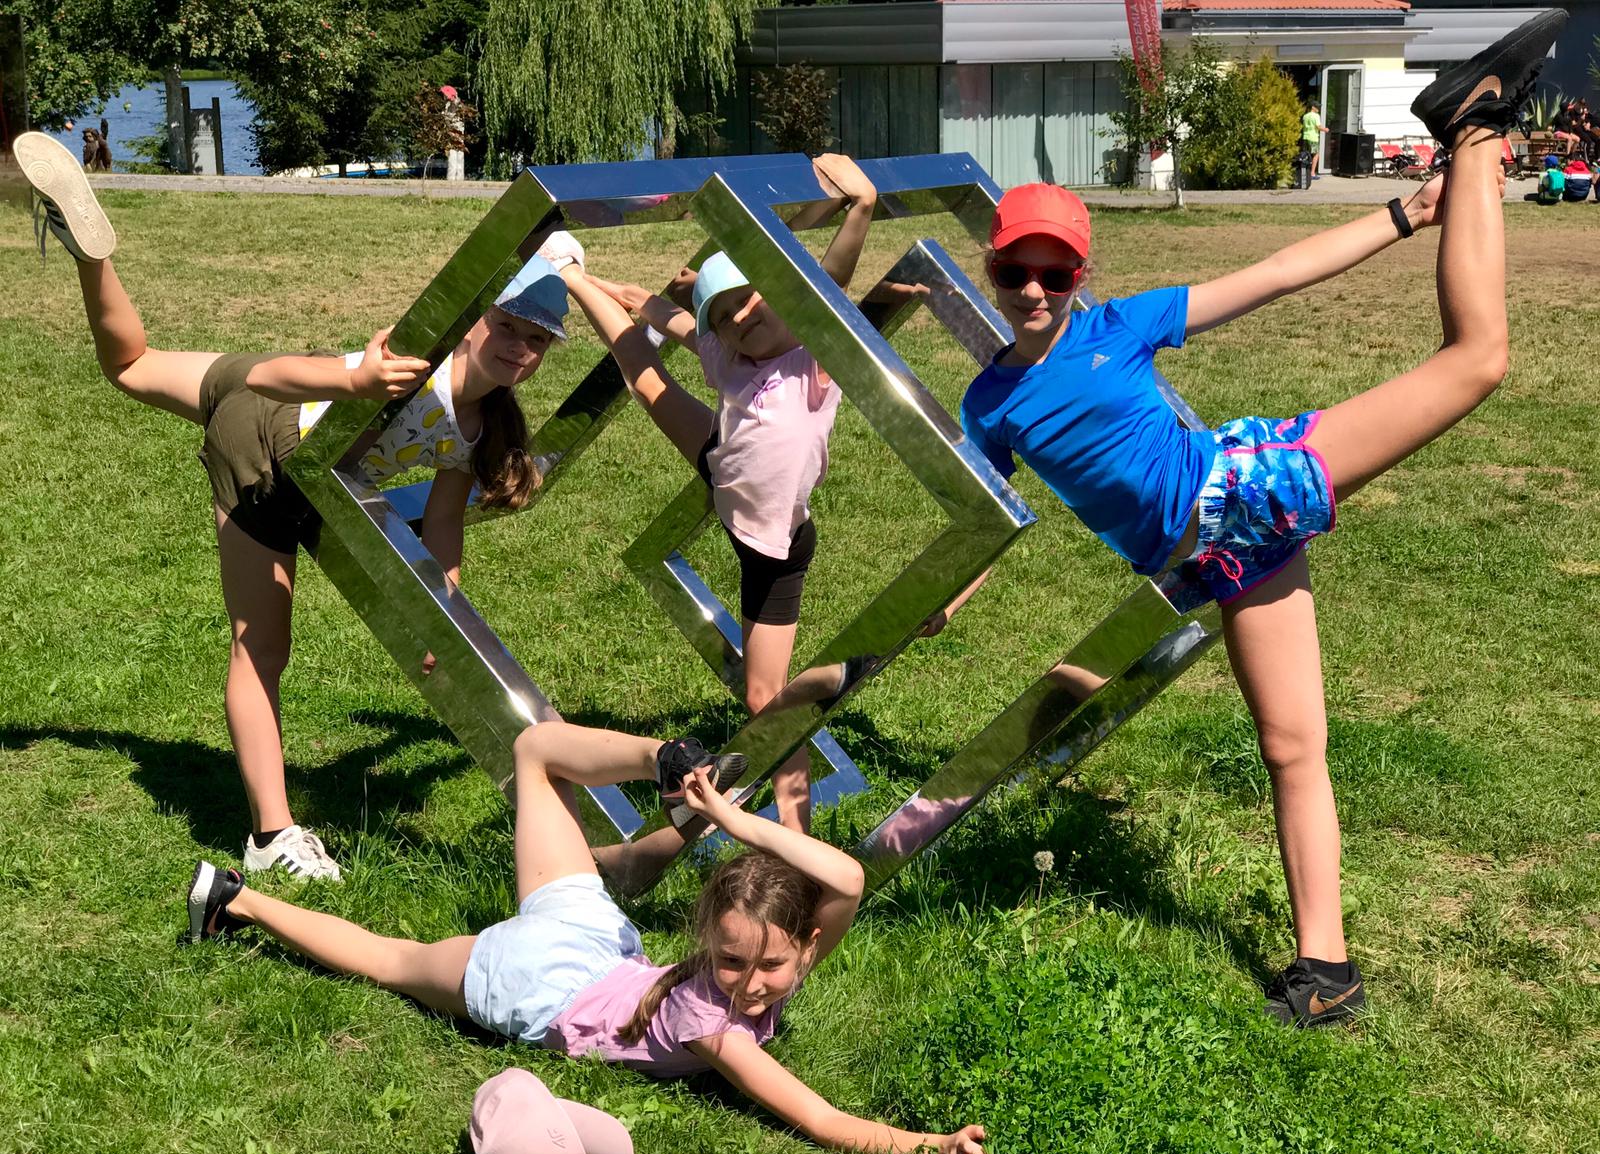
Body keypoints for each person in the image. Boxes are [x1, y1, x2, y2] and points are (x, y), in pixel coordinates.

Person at [944, 11, 1559, 1027]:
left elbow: (1272, 276)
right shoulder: (988, 403)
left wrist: (1404, 217)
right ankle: (1328, 970)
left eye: (1057, 272)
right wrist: (949, 597)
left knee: (1476, 360)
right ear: (993, 271)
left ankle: (1477, 128)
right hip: (1221, 560)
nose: (1036, 289)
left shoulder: (1119, 327)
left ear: (1083, 274)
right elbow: (990, 510)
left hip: (1241, 488)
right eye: (1017, 272)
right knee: (1291, 744)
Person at [14, 130, 567, 880]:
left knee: (131, 365)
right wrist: (359, 381)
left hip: (275, 415)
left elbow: (442, 524)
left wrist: (443, 616)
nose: (518, 347)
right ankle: (271, 836)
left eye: (536, 340)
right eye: (506, 326)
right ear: (474, 320)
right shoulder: (415, 364)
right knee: (261, 646)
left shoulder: (482, 426)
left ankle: (90, 252)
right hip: (270, 446)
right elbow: (271, 377)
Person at [185, 722, 993, 1154]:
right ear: (708, 939)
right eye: (730, 963)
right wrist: (930, 1147)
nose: (749, 987)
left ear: (809, 947)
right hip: (546, 979)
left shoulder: (756, 969)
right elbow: (817, 1118)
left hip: (593, 940)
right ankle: (238, 899)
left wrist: (736, 823)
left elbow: (847, 878)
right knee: (389, 960)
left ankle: (668, 768)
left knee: (538, 755)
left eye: (769, 969)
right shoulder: (715, 1028)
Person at [560, 154, 880, 840]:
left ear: (786, 294)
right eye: (729, 316)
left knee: (766, 698)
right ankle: (571, 276)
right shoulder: (727, 354)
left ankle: (794, 832)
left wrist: (860, 208)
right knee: (642, 371)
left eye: (755, 299)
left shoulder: (815, 355)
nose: (746, 317)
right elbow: (661, 315)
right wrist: (622, 288)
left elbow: (828, 280)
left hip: (777, 548)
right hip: (718, 463)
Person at [1300, 102, 1328, 179]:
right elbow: (1318, 127)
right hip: (1313, 138)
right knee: (1316, 155)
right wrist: (1325, 129)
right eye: (1317, 107)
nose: (1318, 108)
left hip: (1305, 137)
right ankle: (1312, 173)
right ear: (1313, 107)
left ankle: (1304, 172)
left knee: (1306, 155)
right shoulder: (1316, 116)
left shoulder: (1305, 116)